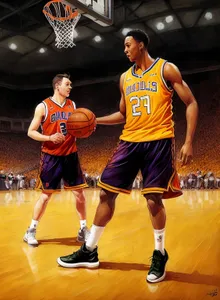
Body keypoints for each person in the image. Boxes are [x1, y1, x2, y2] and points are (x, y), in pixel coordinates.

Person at [57, 29, 198, 283]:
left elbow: (191, 103)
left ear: (141, 45)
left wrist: (188, 142)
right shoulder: (124, 78)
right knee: (105, 193)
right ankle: (89, 251)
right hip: (129, 141)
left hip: (158, 140)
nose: (125, 50)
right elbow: (123, 114)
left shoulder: (166, 69)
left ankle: (159, 253)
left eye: (128, 45)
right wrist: (93, 121)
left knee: (153, 199)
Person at [23, 73, 90, 246]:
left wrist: (83, 129)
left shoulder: (72, 104)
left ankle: (83, 229)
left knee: (80, 194)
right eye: (67, 84)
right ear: (57, 86)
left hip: (70, 155)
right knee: (46, 196)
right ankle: (31, 230)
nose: (70, 87)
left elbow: (75, 126)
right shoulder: (43, 106)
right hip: (51, 157)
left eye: (70, 84)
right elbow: (31, 131)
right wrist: (49, 138)